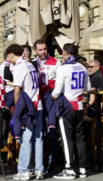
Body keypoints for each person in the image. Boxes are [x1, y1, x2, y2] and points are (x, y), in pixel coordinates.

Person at [52, 43, 91, 179]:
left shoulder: (63, 68)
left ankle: (68, 168)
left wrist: (52, 97)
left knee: (67, 138)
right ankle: (82, 168)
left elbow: (57, 91)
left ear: (64, 53)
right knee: (80, 138)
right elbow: (88, 87)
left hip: (66, 107)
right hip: (79, 106)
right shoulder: (82, 67)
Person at [7, 44, 43, 181]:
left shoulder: (19, 67)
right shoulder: (29, 65)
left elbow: (17, 90)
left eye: (8, 57)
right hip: (38, 104)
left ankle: (24, 171)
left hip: (28, 108)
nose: (8, 60)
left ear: (11, 54)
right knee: (38, 138)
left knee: (25, 139)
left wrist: (17, 108)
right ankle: (39, 169)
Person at [33, 39, 62, 173]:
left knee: (51, 132)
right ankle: (41, 160)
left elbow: (61, 82)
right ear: (35, 51)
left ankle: (53, 161)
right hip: (38, 99)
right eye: (40, 50)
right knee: (40, 133)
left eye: (45, 49)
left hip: (52, 98)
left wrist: (53, 96)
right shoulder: (32, 63)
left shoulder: (56, 62)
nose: (43, 52)